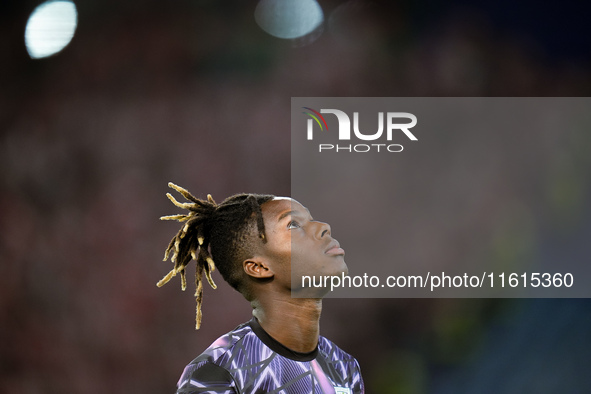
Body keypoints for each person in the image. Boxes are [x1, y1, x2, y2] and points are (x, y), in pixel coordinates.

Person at [157, 183, 364, 393]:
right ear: (259, 267)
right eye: (293, 225)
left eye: (310, 220)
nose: (323, 227)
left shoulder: (344, 366)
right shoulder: (219, 372)